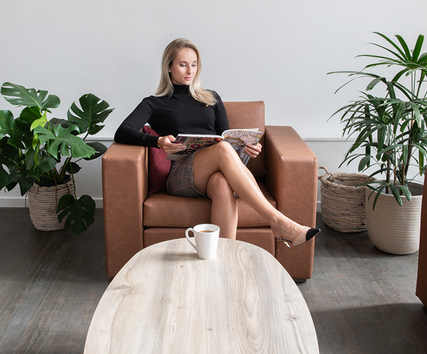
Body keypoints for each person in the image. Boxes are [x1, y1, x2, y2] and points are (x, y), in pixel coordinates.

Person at [114, 38, 319, 246]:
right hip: (181, 174)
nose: (190, 70)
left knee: (222, 182)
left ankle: (224, 257)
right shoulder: (154, 103)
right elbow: (122, 132)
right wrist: (157, 141)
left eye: (194, 64)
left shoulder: (210, 98)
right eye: (183, 64)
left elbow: (226, 136)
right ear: (169, 66)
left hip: (216, 170)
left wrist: (246, 148)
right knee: (222, 149)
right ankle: (278, 222)